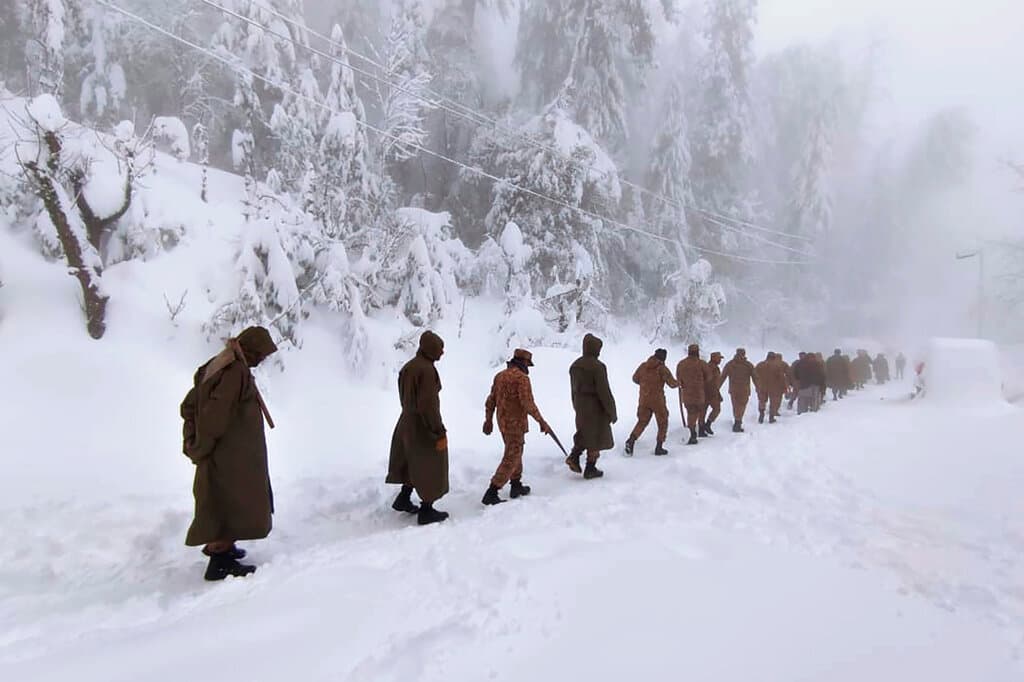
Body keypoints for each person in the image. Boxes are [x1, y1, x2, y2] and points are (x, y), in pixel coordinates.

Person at [181, 325, 278, 581]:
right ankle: (219, 560)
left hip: (230, 451)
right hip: (230, 454)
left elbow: (190, 403)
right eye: (261, 354)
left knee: (226, 500)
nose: (262, 360)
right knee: (230, 501)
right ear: (252, 350)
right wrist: (202, 445)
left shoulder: (220, 364)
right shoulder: (234, 371)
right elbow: (215, 412)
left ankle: (225, 547)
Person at [387, 331, 451, 526]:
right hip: (422, 426)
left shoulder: (409, 367)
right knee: (431, 464)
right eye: (440, 349)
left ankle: (404, 498)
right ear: (431, 349)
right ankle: (427, 510)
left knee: (410, 461)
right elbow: (428, 405)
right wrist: (437, 430)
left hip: (406, 421)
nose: (442, 352)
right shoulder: (426, 370)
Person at [482, 349, 551, 505]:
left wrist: (488, 420)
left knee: (514, 451)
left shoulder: (499, 376)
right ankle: (492, 491)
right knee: (512, 455)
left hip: (502, 423)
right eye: (528, 364)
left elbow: (491, 400)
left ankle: (516, 485)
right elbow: (528, 404)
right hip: (516, 424)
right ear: (524, 363)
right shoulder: (522, 379)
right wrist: (541, 422)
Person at [566, 334, 617, 479]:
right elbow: (604, 391)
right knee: (596, 436)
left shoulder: (575, 365)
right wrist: (612, 411)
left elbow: (573, 389)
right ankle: (590, 468)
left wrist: (576, 405)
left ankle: (574, 457)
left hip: (580, 405)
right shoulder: (598, 367)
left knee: (583, 432)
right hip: (596, 407)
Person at [625, 348, 679, 456]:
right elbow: (672, 384)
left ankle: (631, 441)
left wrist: (645, 384)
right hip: (657, 400)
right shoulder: (662, 369)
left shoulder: (643, 366)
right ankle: (659, 447)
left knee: (642, 421)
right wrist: (680, 383)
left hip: (644, 399)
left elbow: (635, 378)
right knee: (663, 422)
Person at [676, 344, 711, 445]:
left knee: (691, 412)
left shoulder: (681, 364)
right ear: (697, 352)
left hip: (686, 394)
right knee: (699, 411)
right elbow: (708, 377)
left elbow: (678, 379)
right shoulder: (701, 364)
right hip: (698, 393)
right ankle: (697, 431)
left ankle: (692, 432)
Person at [719, 348, 757, 433]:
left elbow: (722, 377)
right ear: (744, 354)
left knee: (735, 406)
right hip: (744, 390)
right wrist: (758, 388)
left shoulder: (730, 364)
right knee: (742, 406)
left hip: (733, 390)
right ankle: (738, 422)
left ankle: (737, 421)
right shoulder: (748, 365)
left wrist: (717, 388)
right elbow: (755, 378)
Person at [757, 352, 788, 424]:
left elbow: (755, 374)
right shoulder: (776, 366)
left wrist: (757, 384)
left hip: (762, 386)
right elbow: (781, 378)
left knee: (762, 401)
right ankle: (771, 417)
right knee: (773, 402)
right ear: (774, 358)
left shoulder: (760, 365)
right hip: (774, 388)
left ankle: (761, 415)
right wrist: (784, 388)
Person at [703, 352, 725, 435]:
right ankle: (707, 424)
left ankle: (703, 427)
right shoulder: (711, 368)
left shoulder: (710, 367)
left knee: (704, 411)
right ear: (714, 358)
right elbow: (710, 381)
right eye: (719, 358)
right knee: (716, 409)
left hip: (709, 392)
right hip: (711, 392)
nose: (720, 360)